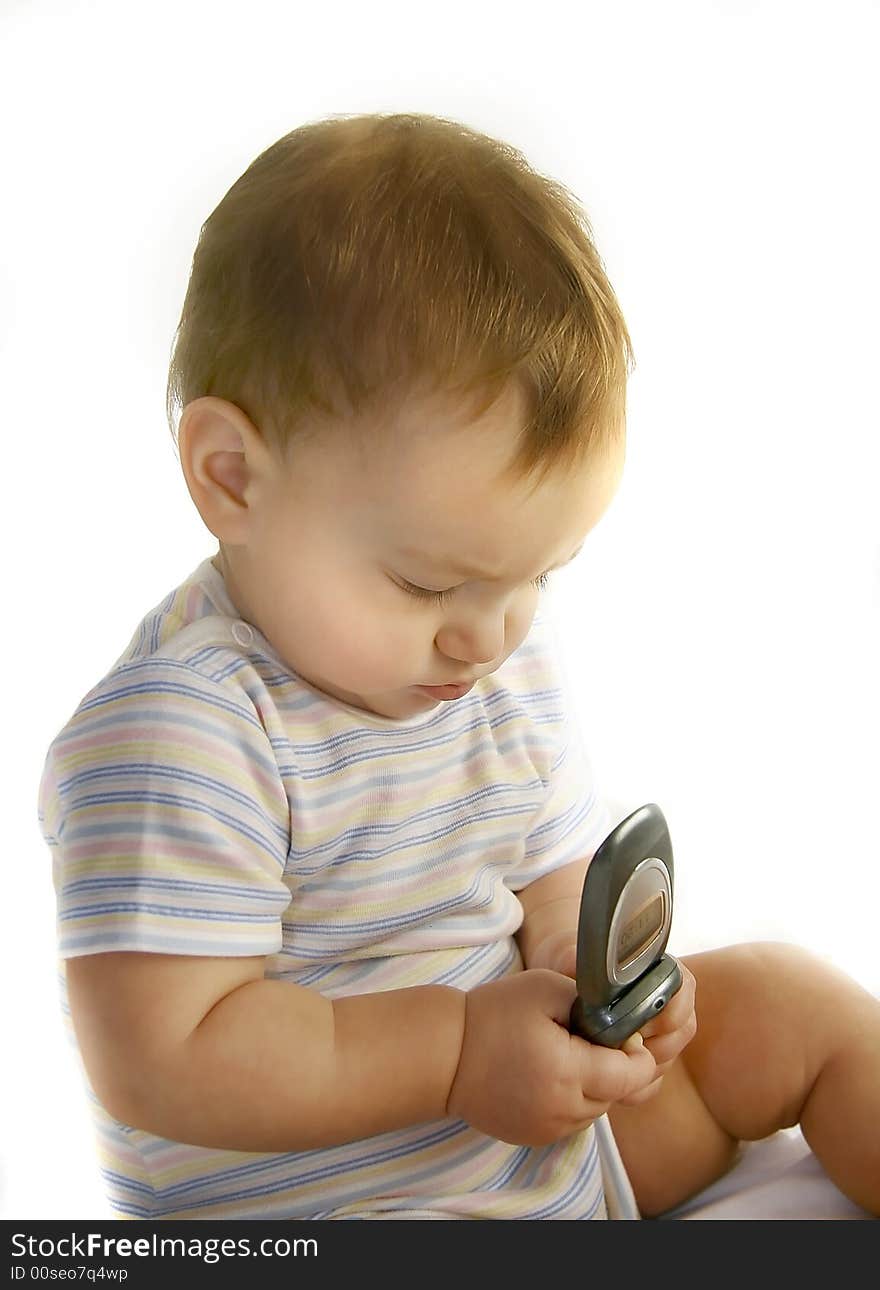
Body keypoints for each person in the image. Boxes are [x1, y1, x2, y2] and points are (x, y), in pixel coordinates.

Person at [37, 111, 880, 1221]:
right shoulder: (183, 734)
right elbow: (166, 1056)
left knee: (790, 1004)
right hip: (351, 1211)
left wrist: (611, 988)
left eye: (538, 575)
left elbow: (550, 874)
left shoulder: (483, 660)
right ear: (232, 477)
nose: (488, 636)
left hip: (549, 1140)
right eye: (430, 585)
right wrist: (452, 1056)